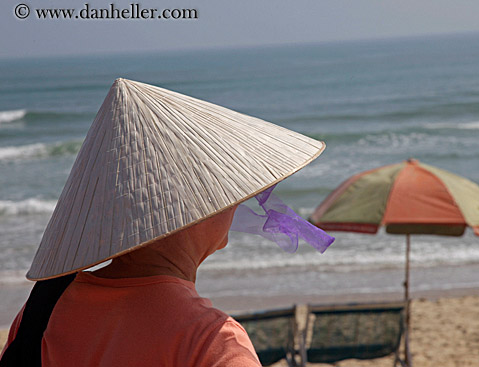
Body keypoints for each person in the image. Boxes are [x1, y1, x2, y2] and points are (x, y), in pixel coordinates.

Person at [0, 78, 333, 366]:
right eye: (228, 194)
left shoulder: (43, 309)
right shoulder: (210, 339)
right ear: (199, 208)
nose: (236, 206)